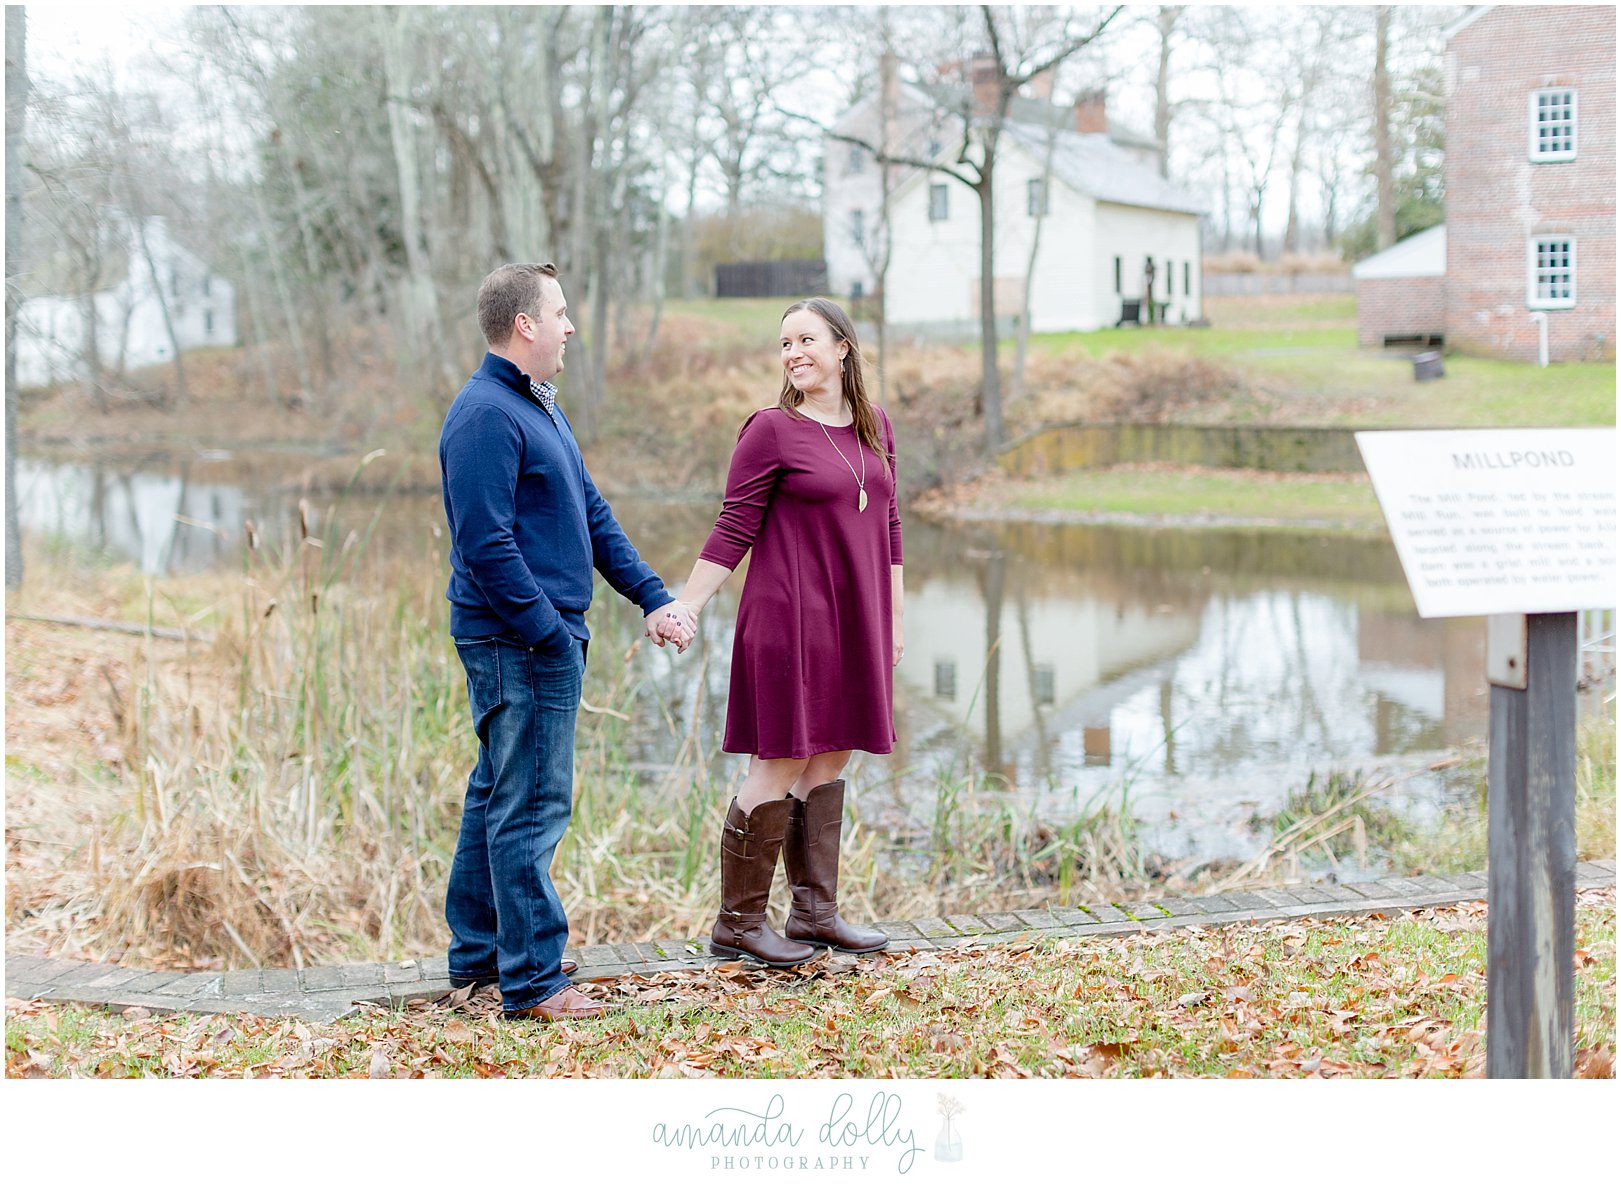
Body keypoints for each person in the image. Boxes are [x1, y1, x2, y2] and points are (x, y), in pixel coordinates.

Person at [439, 262, 694, 1020]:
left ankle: (483, 957)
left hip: (532, 637)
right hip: (518, 641)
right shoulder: (486, 413)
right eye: (558, 312)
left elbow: (591, 515)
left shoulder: (537, 408)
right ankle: (533, 980)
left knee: (496, 794)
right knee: (531, 804)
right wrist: (549, 634)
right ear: (525, 324)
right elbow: (486, 546)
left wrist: (651, 594)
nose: (569, 326)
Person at [668, 298, 902, 967]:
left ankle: (814, 914)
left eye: (807, 339)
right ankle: (738, 924)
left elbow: (889, 530)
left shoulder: (875, 426)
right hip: (788, 616)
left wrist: (894, 621)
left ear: (842, 349)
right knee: (780, 758)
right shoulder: (769, 430)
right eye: (784, 343)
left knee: (831, 755)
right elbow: (733, 526)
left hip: (856, 617)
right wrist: (687, 603)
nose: (793, 352)